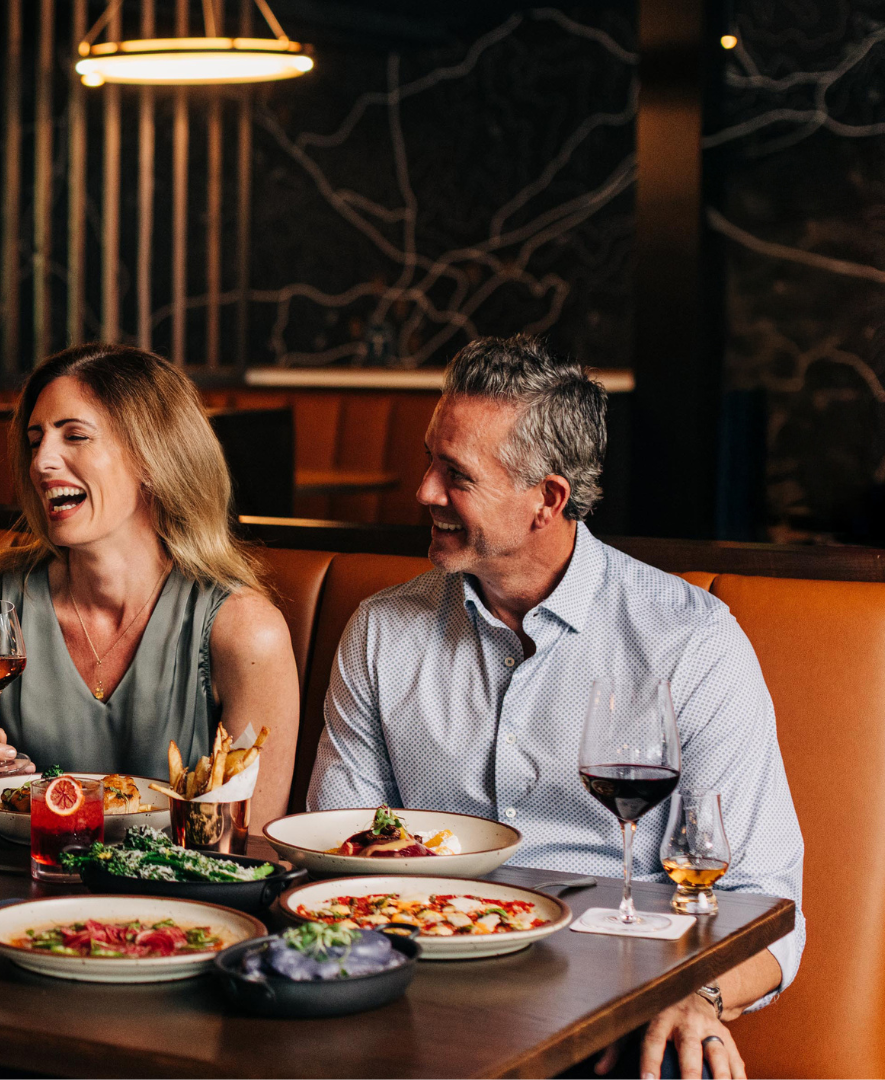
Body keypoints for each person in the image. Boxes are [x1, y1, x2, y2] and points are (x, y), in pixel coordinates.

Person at [308, 335, 805, 1080]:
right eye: (427, 461)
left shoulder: (689, 642)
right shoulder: (382, 631)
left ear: (547, 498)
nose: (424, 493)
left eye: (456, 476)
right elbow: (337, 856)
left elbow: (763, 897)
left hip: (613, 997)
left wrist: (697, 995)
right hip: (417, 978)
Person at [0, 344, 300, 831]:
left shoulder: (245, 631)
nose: (42, 462)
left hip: (177, 899)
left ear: (153, 458)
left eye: (75, 436)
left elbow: (248, 843)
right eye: (35, 440)